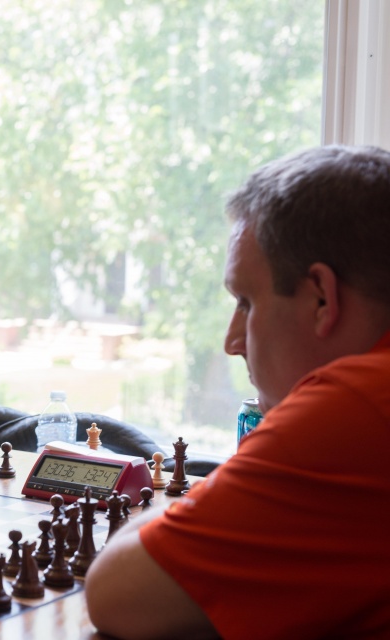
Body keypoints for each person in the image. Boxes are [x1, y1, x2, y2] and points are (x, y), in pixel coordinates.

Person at [86, 145, 390, 639]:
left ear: (320, 298)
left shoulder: (353, 406)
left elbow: (116, 592)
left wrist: (190, 506)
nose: (231, 342)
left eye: (246, 303)